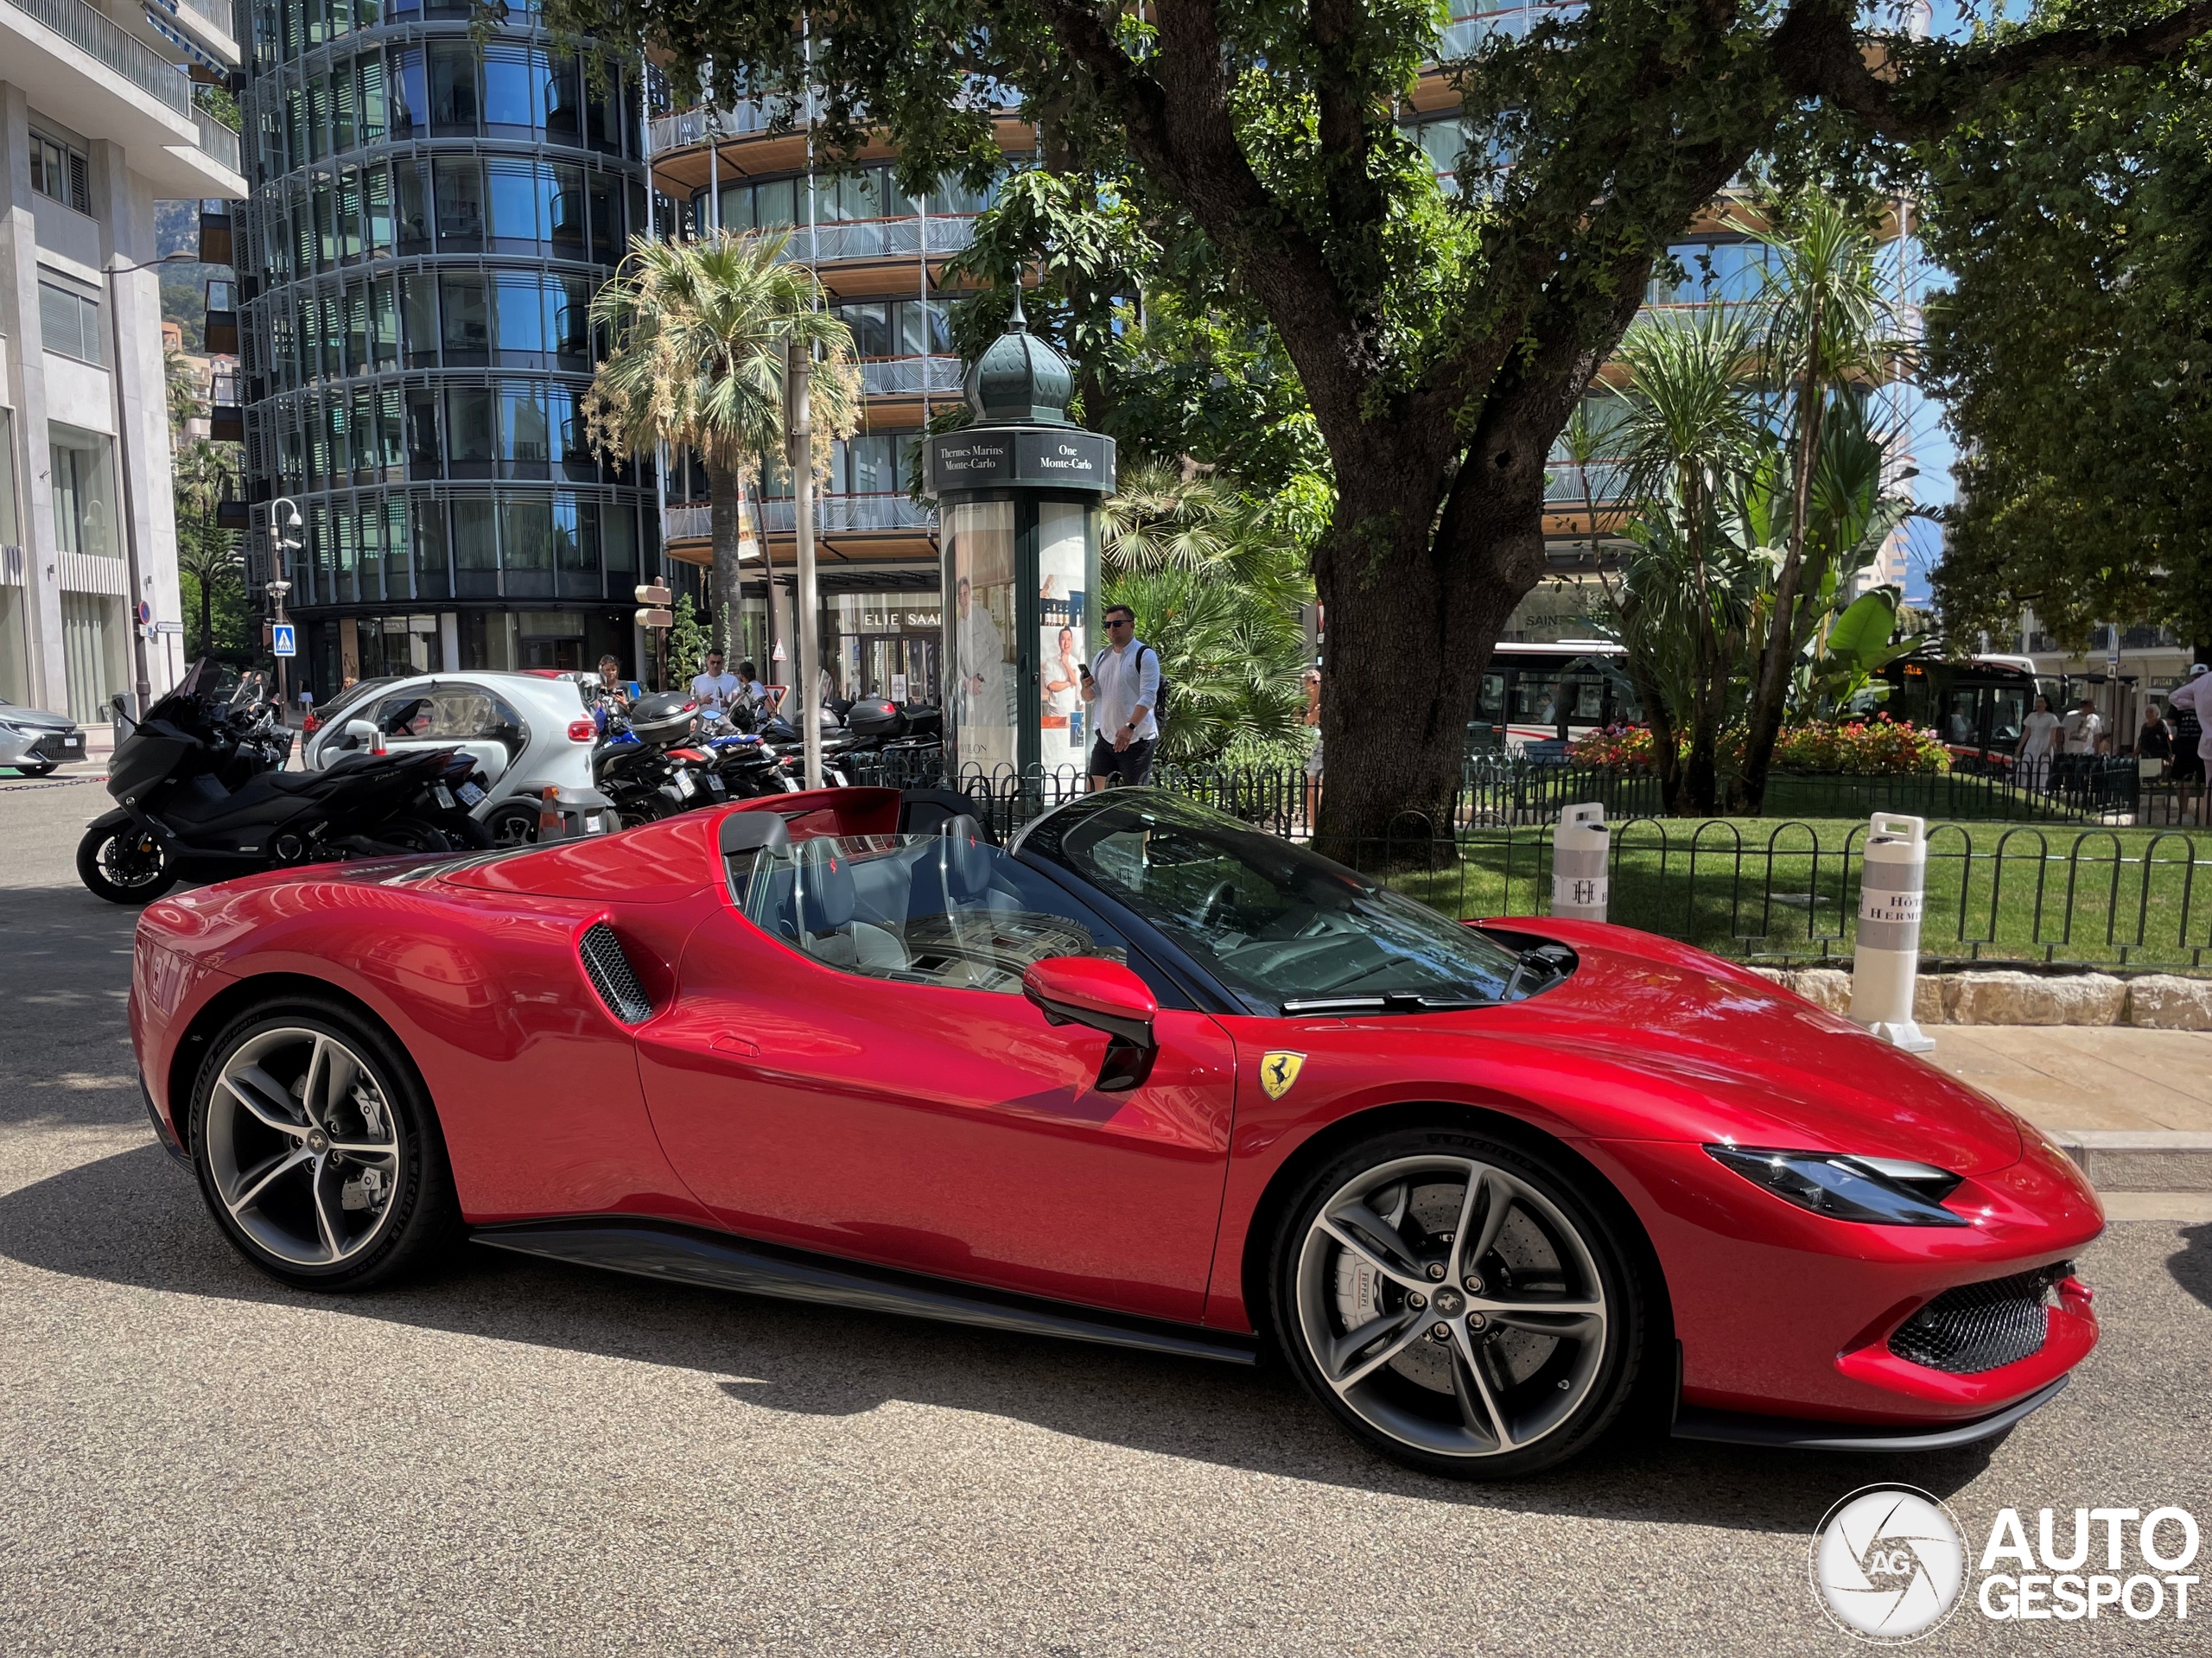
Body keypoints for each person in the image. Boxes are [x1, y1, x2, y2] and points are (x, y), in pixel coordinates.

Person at [1079, 602, 1160, 789]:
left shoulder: (1145, 655)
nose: (1112, 629)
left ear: (1131, 625)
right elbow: (1091, 697)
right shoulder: (1102, 657)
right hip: (1107, 738)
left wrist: (1130, 727)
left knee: (1135, 794)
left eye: (1117, 624)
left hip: (1137, 739)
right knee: (1092, 792)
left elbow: (1148, 697)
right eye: (1107, 625)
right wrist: (1085, 687)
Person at [2167, 664, 2212, 816]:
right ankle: (2193, 813)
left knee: (2203, 781)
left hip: (2197, 741)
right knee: (2202, 781)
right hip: (2194, 742)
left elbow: (2173, 702)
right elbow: (2171, 719)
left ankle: (2198, 814)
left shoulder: (2194, 690)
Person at [2018, 694, 2062, 790]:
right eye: (2037, 702)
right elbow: (2026, 733)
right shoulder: (2031, 716)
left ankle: (2038, 788)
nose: (2039, 704)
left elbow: (2052, 735)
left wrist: (2048, 748)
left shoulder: (2051, 717)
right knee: (2027, 763)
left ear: (2046, 704)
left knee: (2041, 767)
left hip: (2044, 744)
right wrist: (2019, 747)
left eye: (2041, 702)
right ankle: (2023, 786)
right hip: (2032, 743)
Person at [1302, 666, 1324, 830]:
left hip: (1329, 744)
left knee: (1318, 787)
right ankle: (1315, 829)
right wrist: (1317, 692)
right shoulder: (1316, 696)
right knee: (1312, 788)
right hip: (1321, 744)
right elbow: (1308, 719)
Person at [689, 650, 741, 716]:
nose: (715, 665)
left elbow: (738, 705)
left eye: (718, 663)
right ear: (707, 661)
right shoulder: (697, 680)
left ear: (722, 663)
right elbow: (691, 705)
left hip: (724, 719)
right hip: (703, 720)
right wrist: (702, 701)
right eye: (713, 662)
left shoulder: (732, 680)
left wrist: (728, 705)